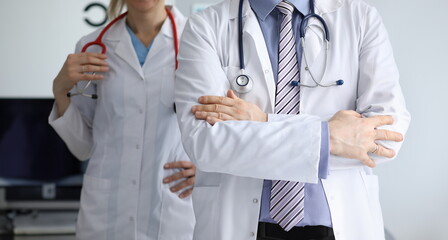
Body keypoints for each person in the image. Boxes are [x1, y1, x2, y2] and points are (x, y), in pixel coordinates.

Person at [174, 0, 410, 239]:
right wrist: (330, 138)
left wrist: (263, 121)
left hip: (341, 225)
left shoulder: (361, 18)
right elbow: (205, 143)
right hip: (240, 224)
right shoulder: (205, 26)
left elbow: (385, 137)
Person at [48, 0, 195, 239]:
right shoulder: (92, 46)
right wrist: (60, 90)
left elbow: (223, 124)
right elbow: (83, 147)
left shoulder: (198, 41)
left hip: (172, 208)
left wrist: (209, 170)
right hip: (106, 213)